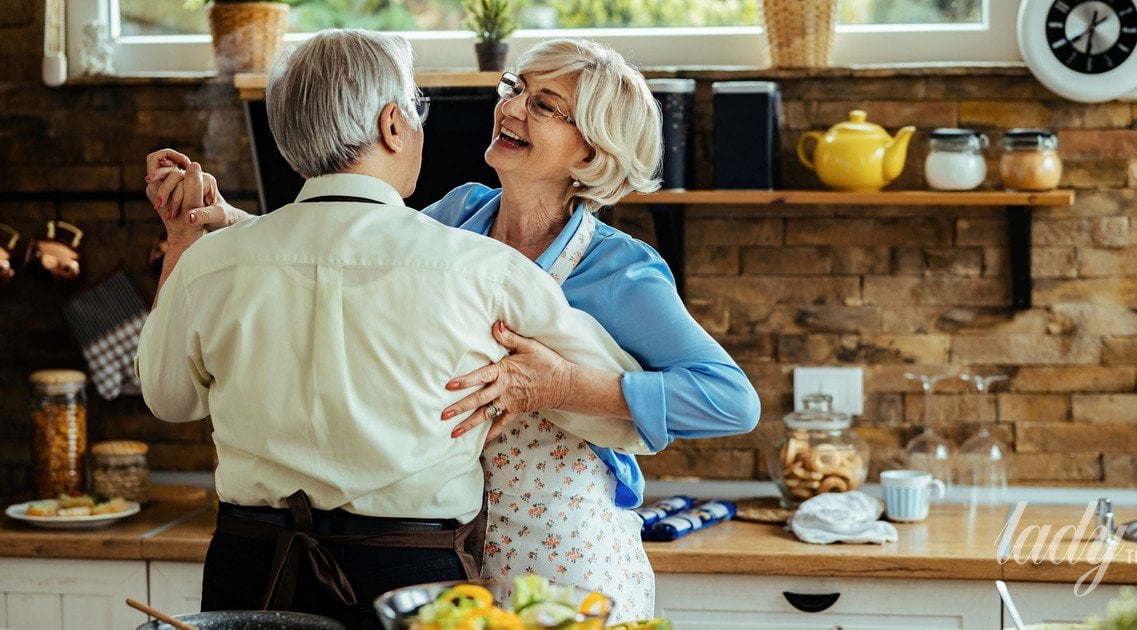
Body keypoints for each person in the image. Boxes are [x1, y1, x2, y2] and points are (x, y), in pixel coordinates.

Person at [147, 38, 761, 623]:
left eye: (544, 105)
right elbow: (361, 250)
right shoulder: (463, 213)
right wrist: (233, 224)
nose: (512, 106)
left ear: (590, 154)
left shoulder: (621, 269)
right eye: (516, 87)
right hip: (456, 544)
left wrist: (562, 385)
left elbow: (730, 400)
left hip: (560, 548)